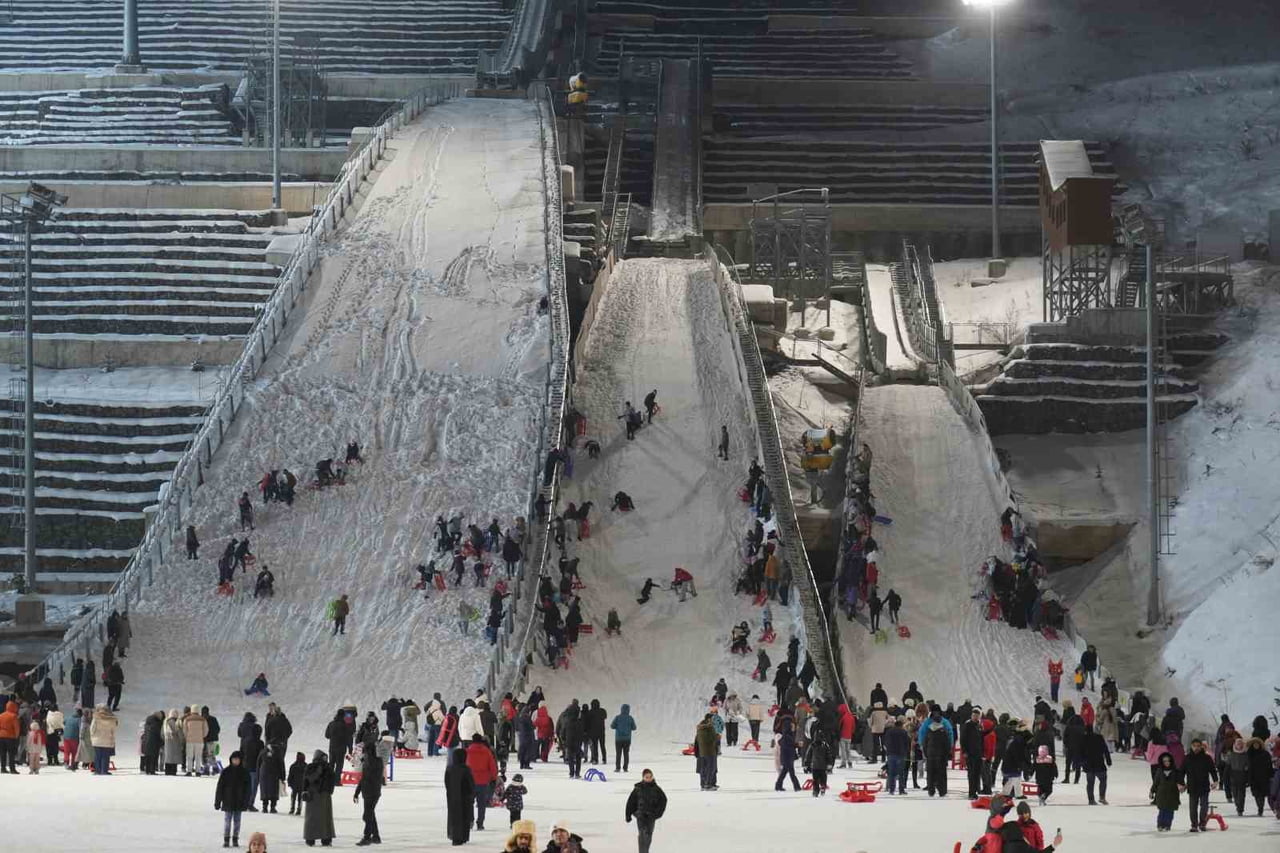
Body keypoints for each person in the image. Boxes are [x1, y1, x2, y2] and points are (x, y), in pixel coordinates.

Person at [215, 751, 253, 849]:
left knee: (237, 821)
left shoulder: (245, 773)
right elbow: (220, 787)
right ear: (231, 760)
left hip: (239, 802)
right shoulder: (226, 772)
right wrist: (218, 801)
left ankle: (235, 839)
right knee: (227, 821)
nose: (235, 761)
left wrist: (247, 802)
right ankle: (226, 839)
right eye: (234, 759)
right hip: (228, 800)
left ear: (240, 760)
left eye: (237, 759)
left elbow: (248, 790)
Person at [625, 768, 667, 853]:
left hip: (651, 816)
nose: (649, 779)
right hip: (640, 815)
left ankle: (645, 851)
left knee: (648, 835)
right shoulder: (638, 788)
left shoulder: (656, 789)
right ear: (643, 777)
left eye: (650, 777)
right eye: (646, 777)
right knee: (642, 834)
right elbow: (631, 801)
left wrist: (657, 813)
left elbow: (663, 801)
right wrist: (628, 815)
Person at [303, 750, 336, 847]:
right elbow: (308, 779)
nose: (325, 760)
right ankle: (316, 838)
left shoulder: (326, 768)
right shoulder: (313, 767)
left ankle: (320, 838)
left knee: (321, 818)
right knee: (319, 818)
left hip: (320, 796)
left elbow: (332, 780)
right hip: (316, 796)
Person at [1183, 737, 1218, 831]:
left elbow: (1213, 770)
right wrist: (1181, 783)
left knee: (1204, 806)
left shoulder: (1207, 758)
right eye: (1194, 746)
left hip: (1204, 786)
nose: (1196, 748)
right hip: (1192, 786)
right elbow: (1181, 771)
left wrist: (1215, 781)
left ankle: (1202, 823)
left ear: (1201, 747)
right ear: (1191, 746)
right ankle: (1194, 825)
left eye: (1198, 746)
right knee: (1193, 808)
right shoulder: (1187, 758)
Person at [465, 733, 498, 830]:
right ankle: (480, 823)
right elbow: (492, 766)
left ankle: (470, 820)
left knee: (469, 802)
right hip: (483, 781)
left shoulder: (468, 751)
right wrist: (493, 777)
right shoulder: (486, 751)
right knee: (481, 804)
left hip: (470, 781)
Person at [918, 708, 954, 797]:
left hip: (930, 756)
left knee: (930, 773)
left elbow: (925, 743)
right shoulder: (943, 731)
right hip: (941, 756)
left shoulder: (929, 730)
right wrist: (947, 753)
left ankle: (931, 790)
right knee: (941, 773)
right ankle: (942, 791)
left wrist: (926, 753)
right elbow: (947, 744)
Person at [444, 747, 475, 846]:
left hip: (452, 797)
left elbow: (447, 783)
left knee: (454, 817)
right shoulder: (466, 769)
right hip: (465, 797)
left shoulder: (449, 769)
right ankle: (463, 837)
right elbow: (470, 784)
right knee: (465, 816)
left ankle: (454, 836)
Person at [352, 749, 383, 846]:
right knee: (370, 814)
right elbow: (363, 778)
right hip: (371, 792)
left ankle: (367, 837)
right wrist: (357, 793)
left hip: (371, 792)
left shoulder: (371, 764)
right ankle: (376, 836)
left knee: (367, 815)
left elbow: (365, 778)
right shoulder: (372, 762)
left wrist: (357, 792)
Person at [1151, 751, 1183, 831]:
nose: (1167, 763)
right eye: (1165, 761)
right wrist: (1152, 791)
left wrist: (1181, 786)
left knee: (1170, 812)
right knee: (1162, 811)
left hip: (1173, 795)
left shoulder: (1176, 771)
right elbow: (1156, 783)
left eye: (1168, 761)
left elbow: (1180, 782)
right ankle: (1160, 825)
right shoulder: (1159, 771)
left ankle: (1167, 825)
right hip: (1162, 795)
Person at [1081, 723, 1111, 805]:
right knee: (1103, 780)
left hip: (1088, 764)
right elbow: (1105, 750)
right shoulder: (1099, 737)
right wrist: (1108, 760)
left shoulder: (1084, 738)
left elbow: (1080, 752)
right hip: (1099, 763)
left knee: (1090, 783)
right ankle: (1102, 797)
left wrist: (1081, 763)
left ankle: (1091, 800)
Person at [695, 713, 719, 791]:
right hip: (710, 751)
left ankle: (703, 784)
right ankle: (709, 784)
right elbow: (711, 740)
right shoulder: (710, 728)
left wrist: (697, 751)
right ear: (709, 719)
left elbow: (696, 740)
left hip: (701, 752)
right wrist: (717, 737)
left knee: (703, 768)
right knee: (711, 768)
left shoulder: (699, 728)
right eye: (713, 719)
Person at [611, 704, 636, 773]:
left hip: (618, 739)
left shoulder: (617, 717)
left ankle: (617, 768)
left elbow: (612, 726)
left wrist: (617, 727)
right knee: (626, 754)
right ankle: (625, 768)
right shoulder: (630, 718)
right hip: (627, 739)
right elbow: (634, 728)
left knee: (618, 754)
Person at [288, 751, 308, 815]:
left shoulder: (293, 766)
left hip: (295, 785)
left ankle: (293, 808)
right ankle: (298, 809)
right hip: (301, 785)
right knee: (299, 798)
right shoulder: (305, 766)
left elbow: (290, 776)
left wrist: (290, 783)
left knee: (294, 797)